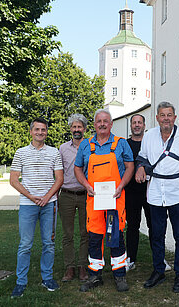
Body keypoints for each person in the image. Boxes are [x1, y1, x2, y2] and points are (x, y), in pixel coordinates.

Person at [135, 101, 179, 293]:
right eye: (162, 115)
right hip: (155, 193)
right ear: (157, 118)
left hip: (178, 191)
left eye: (169, 115)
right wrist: (139, 168)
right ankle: (159, 270)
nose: (166, 119)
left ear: (174, 117)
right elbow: (143, 158)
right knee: (157, 235)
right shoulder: (149, 136)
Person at [74, 109, 134, 292]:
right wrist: (86, 185)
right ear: (94, 124)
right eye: (98, 121)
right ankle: (95, 275)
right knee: (94, 236)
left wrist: (121, 186)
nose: (102, 124)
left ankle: (119, 274)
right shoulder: (85, 145)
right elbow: (77, 169)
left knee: (116, 235)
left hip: (116, 198)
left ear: (111, 123)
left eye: (105, 121)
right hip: (94, 200)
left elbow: (130, 166)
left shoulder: (121, 144)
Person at [10, 118, 64, 298]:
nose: (40, 132)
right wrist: (31, 197)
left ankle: (47, 278)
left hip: (49, 205)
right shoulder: (21, 152)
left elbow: (59, 179)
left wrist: (47, 197)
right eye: (37, 129)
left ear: (46, 132)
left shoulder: (54, 152)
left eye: (43, 130)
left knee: (48, 243)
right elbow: (14, 180)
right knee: (25, 244)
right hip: (28, 204)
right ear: (31, 131)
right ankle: (21, 282)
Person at [58, 114, 89, 282]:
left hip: (86, 195)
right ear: (70, 129)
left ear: (84, 129)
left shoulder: (91, 146)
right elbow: (58, 173)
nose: (77, 130)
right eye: (74, 127)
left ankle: (83, 266)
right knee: (67, 234)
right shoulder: (62, 149)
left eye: (80, 127)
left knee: (86, 232)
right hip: (67, 195)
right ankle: (70, 267)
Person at [124, 114, 153, 272]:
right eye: (134, 123)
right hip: (131, 192)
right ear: (131, 126)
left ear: (144, 125)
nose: (136, 125)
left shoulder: (150, 143)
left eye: (139, 123)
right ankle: (131, 258)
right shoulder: (125, 144)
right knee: (133, 226)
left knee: (154, 226)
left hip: (150, 191)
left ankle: (158, 257)